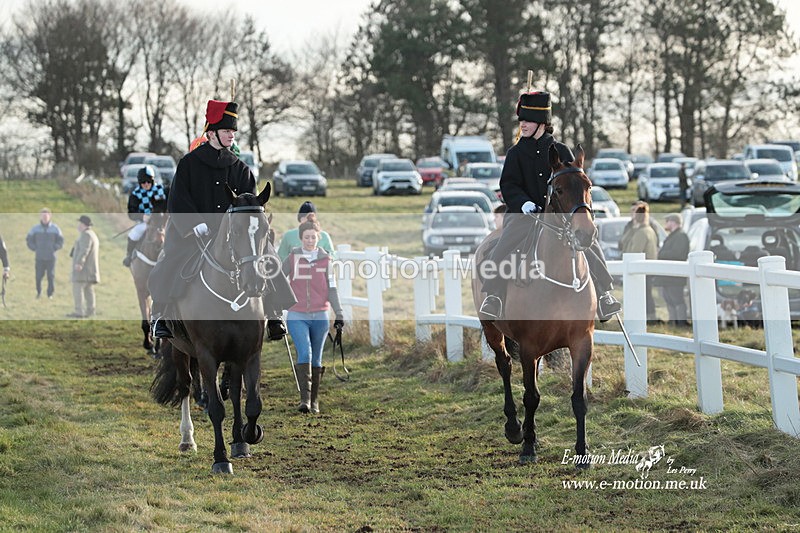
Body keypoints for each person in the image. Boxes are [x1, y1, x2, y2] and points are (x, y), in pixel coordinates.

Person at [148, 99, 296, 339]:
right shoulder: (188, 164)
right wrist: (195, 223)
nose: (231, 135)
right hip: (193, 232)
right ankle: (160, 315)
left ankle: (274, 313)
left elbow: (250, 205)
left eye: (233, 131)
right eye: (227, 130)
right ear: (211, 133)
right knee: (170, 259)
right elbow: (177, 199)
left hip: (235, 234)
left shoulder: (241, 169)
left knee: (267, 255)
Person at [478, 90, 621, 321]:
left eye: (528, 120)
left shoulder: (562, 151)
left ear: (541, 123)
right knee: (504, 245)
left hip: (559, 216)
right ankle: (493, 296)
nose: (523, 125)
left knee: (589, 243)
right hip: (524, 215)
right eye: (521, 120)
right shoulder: (515, 153)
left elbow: (574, 184)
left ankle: (604, 294)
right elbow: (508, 184)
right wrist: (523, 203)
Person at [282, 214, 344, 414]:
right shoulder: (292, 258)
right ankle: (305, 401)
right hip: (297, 314)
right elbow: (279, 280)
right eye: (306, 237)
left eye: (313, 237)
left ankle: (314, 401)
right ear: (301, 238)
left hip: (320, 315)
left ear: (319, 238)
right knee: (305, 353)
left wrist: (339, 312)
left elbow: (332, 288)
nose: (310, 240)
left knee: (316, 358)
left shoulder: (326, 261)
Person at [619, 201, 659, 321]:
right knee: (644, 293)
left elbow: (634, 251)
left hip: (641, 267)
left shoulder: (643, 231)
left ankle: (648, 317)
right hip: (643, 267)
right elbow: (623, 243)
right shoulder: (634, 228)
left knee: (644, 294)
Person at [123, 166, 168, 267]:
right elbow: (131, 213)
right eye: (143, 182)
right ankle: (129, 256)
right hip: (146, 223)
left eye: (148, 181)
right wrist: (142, 217)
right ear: (140, 182)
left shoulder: (161, 190)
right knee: (134, 234)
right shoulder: (135, 194)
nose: (146, 184)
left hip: (163, 222)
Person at [653, 213, 690, 326]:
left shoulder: (681, 236)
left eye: (667, 221)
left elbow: (678, 254)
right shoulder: (674, 236)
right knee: (669, 299)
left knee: (677, 299)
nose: (666, 223)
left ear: (673, 222)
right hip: (669, 276)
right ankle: (673, 322)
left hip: (675, 276)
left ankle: (681, 323)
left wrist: (661, 253)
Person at [26, 207, 64, 299]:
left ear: (50, 216)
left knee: (51, 276)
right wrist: (35, 248)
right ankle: (38, 292)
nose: (45, 218)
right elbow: (29, 240)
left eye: (46, 216)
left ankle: (50, 294)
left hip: (51, 257)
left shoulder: (55, 229)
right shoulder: (35, 229)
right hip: (39, 257)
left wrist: (54, 248)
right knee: (38, 276)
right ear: (40, 216)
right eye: (43, 216)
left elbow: (61, 241)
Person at [68, 215, 100, 318]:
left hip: (83, 270)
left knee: (77, 289)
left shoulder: (86, 235)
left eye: (80, 223)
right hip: (90, 270)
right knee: (88, 290)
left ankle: (79, 311)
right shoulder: (92, 234)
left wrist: (79, 263)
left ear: (83, 224)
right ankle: (90, 311)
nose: (78, 225)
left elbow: (84, 250)